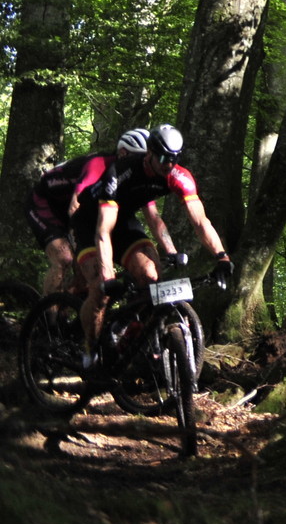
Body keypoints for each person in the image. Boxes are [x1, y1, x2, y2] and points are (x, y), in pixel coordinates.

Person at [74, 124, 231, 371]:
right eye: (164, 158)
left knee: (150, 275)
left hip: (123, 221)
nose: (170, 164)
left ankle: (128, 336)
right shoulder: (122, 171)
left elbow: (200, 222)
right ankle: (90, 350)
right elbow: (103, 231)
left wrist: (222, 257)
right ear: (149, 153)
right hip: (91, 222)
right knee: (100, 289)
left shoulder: (178, 176)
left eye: (175, 158)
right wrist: (107, 275)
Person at [24, 131, 144, 296]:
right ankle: (46, 311)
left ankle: (67, 305)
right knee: (64, 258)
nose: (142, 163)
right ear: (123, 153)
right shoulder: (99, 164)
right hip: (44, 203)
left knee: (86, 273)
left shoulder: (127, 175)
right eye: (139, 157)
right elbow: (74, 206)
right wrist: (78, 243)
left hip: (71, 209)